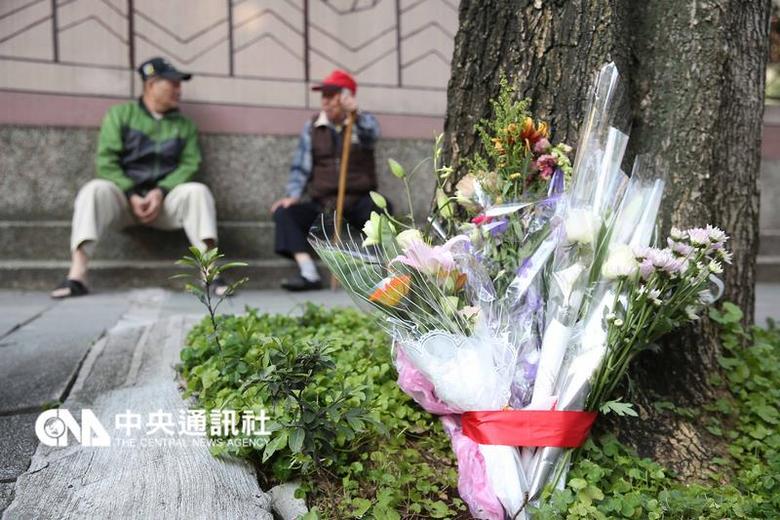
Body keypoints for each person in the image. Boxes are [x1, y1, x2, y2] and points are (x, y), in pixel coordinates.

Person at [51, 57, 226, 298]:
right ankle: (76, 276)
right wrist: (132, 193)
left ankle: (210, 275)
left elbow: (190, 164)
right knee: (93, 190)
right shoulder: (120, 115)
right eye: (172, 83)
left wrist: (160, 192)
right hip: (123, 203)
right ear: (151, 84)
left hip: (166, 205)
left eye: (179, 84)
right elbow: (106, 162)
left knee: (198, 191)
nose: (179, 89)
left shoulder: (185, 125)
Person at [271, 69, 389, 291]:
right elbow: (301, 165)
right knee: (284, 214)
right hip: (324, 205)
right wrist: (293, 196)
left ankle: (376, 271)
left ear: (346, 97)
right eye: (323, 96)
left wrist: (356, 114)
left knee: (382, 208)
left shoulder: (362, 121)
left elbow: (372, 135)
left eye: (330, 95)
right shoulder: (313, 126)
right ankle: (308, 273)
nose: (325, 101)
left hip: (357, 202)